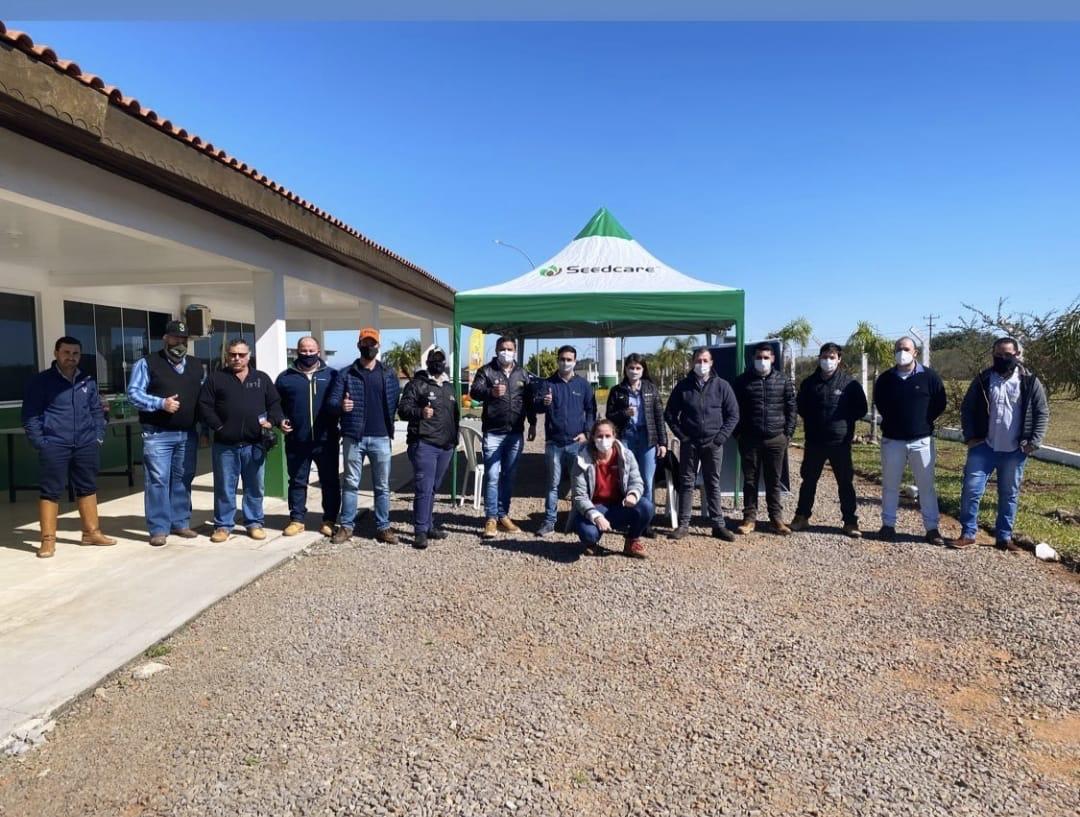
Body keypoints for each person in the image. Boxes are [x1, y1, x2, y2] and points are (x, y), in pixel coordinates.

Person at [954, 337, 1049, 552]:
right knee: (971, 490)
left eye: (1007, 354)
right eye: (998, 354)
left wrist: (1033, 442)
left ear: (1017, 355)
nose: (1002, 358)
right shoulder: (983, 379)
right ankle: (968, 533)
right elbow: (967, 408)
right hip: (983, 447)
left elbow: (1041, 412)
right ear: (993, 355)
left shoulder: (1029, 381)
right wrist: (970, 437)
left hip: (1015, 450)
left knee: (1009, 495)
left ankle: (1004, 537)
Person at [22, 336, 114, 558]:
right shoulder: (41, 381)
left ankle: (91, 533)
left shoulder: (87, 381)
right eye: (66, 353)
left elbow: (97, 411)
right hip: (55, 445)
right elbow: (30, 416)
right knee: (51, 491)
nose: (71, 357)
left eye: (75, 353)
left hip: (85, 443)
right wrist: (41, 443)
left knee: (87, 487)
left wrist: (98, 437)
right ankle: (48, 541)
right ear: (56, 353)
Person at [198, 338, 286, 542]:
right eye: (232, 354)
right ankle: (223, 526)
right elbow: (204, 406)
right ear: (227, 356)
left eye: (241, 354)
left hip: (255, 444)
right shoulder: (216, 379)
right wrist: (219, 427)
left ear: (249, 356)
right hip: (225, 445)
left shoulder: (261, 378)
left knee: (254, 487)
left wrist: (272, 421)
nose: (236, 358)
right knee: (224, 487)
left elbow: (275, 404)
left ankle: (254, 523)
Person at [126, 319, 203, 547]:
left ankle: (180, 522)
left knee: (183, 479)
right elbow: (133, 394)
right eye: (175, 337)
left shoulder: (197, 365)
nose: (179, 342)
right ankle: (159, 528)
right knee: (158, 481)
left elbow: (203, 397)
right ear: (165, 339)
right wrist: (161, 403)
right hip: (158, 435)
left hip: (187, 434)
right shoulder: (147, 363)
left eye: (183, 338)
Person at [327, 327, 401, 545]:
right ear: (358, 345)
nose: (369, 347)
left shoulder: (389, 374)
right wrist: (341, 406)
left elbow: (395, 401)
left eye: (372, 343)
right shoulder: (346, 374)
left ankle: (383, 527)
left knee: (382, 486)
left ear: (378, 346)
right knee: (350, 483)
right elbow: (331, 403)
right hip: (354, 437)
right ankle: (347, 526)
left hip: (381, 437)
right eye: (365, 343)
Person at [872, 336, 948, 545]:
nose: (902, 352)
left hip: (921, 440)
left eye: (906, 349)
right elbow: (880, 403)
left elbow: (939, 403)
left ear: (915, 352)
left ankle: (932, 529)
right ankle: (888, 525)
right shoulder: (885, 379)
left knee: (926, 486)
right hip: (892, 440)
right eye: (898, 349)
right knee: (890, 484)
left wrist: (922, 421)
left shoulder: (929, 377)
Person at [790, 343, 868, 537]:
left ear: (839, 359)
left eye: (832, 357)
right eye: (824, 357)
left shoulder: (849, 384)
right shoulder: (809, 383)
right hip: (815, 441)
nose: (828, 361)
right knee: (808, 481)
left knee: (845, 482)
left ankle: (850, 522)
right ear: (819, 358)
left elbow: (861, 409)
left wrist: (843, 421)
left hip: (840, 443)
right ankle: (801, 516)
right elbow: (801, 407)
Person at [664, 346, 739, 542]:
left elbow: (733, 415)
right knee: (686, 483)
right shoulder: (683, 387)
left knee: (712, 483)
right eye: (698, 361)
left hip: (713, 444)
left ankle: (718, 525)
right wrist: (683, 436)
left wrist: (720, 438)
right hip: (690, 443)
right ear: (693, 363)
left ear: (711, 363)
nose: (702, 364)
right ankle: (683, 525)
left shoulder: (722, 386)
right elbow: (670, 415)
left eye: (705, 360)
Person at [469, 336, 536, 539]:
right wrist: (490, 392)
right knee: (492, 476)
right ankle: (491, 519)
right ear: (497, 350)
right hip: (493, 432)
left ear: (515, 351)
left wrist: (533, 422)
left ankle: (503, 515)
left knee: (509, 476)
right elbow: (474, 392)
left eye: (509, 349)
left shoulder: (522, 373)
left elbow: (529, 401)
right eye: (502, 349)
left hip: (515, 433)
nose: (506, 352)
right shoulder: (486, 371)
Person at [275, 336, 340, 538]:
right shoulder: (285, 377)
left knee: (329, 482)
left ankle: (329, 520)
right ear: (297, 352)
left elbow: (341, 402)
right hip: (297, 440)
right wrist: (280, 420)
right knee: (297, 481)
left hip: (326, 440)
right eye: (304, 350)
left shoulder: (333, 375)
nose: (308, 354)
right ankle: (297, 520)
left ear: (319, 352)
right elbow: (275, 405)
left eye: (312, 350)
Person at [731, 343, 797, 536]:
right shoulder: (742, 381)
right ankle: (749, 519)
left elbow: (792, 408)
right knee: (750, 481)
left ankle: (776, 519)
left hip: (776, 439)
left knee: (773, 481)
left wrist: (787, 434)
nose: (762, 361)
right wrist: (738, 434)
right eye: (759, 357)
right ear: (753, 359)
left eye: (766, 357)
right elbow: (733, 409)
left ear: (773, 359)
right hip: (749, 439)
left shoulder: (783, 380)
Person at [398, 345, 459, 550]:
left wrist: (454, 440)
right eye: (434, 359)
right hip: (424, 443)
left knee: (433, 487)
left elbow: (455, 414)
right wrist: (420, 412)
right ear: (427, 362)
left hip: (446, 446)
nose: (438, 363)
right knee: (424, 488)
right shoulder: (417, 385)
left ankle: (429, 525)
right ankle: (420, 531)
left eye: (441, 359)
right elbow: (403, 410)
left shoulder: (449, 387)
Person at [533, 345, 597, 537]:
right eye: (562, 359)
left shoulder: (583, 385)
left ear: (575, 362)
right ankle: (549, 522)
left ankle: (578, 520)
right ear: (558, 360)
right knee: (553, 485)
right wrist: (543, 402)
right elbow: (536, 405)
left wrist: (587, 433)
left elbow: (591, 410)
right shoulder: (548, 383)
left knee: (580, 485)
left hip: (577, 443)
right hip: (554, 443)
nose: (565, 362)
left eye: (569, 359)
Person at [568, 419, 654, 558]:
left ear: (614, 436)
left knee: (646, 507)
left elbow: (636, 481)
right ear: (593, 438)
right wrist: (596, 516)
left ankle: (632, 541)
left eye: (608, 436)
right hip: (594, 507)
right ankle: (591, 544)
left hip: (619, 505)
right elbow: (579, 496)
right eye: (599, 436)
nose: (604, 440)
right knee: (588, 534)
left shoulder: (626, 455)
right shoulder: (581, 460)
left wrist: (633, 494)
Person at [606, 353, 667, 537]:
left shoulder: (650, 389)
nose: (634, 371)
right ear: (625, 369)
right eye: (631, 368)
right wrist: (625, 413)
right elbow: (609, 416)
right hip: (626, 437)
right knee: (625, 478)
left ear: (643, 370)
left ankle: (645, 522)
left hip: (647, 438)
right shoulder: (617, 390)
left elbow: (659, 416)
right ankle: (626, 516)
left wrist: (662, 442)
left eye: (638, 368)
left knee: (647, 480)